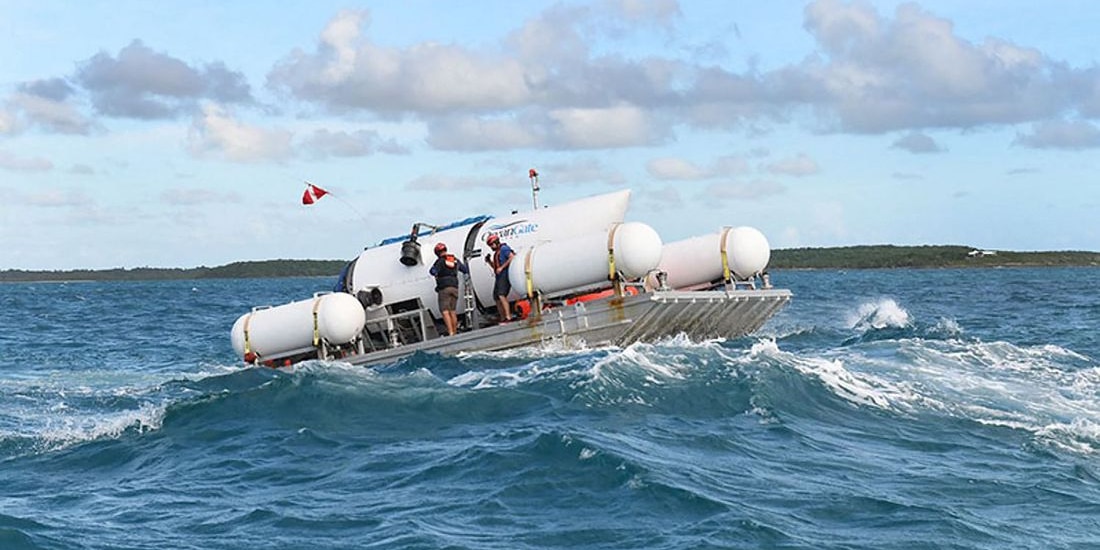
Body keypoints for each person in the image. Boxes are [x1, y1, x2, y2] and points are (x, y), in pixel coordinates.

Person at [428, 242, 468, 336]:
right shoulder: (454, 260)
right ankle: (454, 331)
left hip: (444, 288)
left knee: (445, 311)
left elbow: (432, 271)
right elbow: (465, 270)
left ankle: (450, 332)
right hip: (454, 287)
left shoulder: (440, 261)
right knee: (452, 311)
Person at [486, 234, 514, 322]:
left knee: (502, 295)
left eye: (491, 245)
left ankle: (508, 316)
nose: (491, 247)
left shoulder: (504, 249)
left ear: (496, 242)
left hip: (504, 275)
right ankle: (502, 317)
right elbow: (496, 267)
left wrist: (502, 268)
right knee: (497, 297)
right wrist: (489, 261)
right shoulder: (496, 253)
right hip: (499, 277)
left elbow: (511, 257)